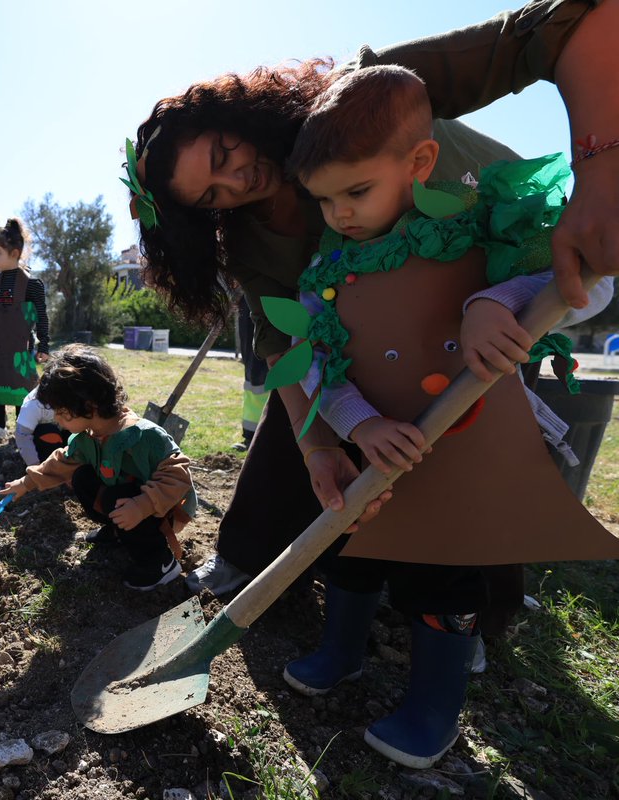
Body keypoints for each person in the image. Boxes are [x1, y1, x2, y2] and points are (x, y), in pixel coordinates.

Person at [125, 1, 619, 607]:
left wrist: (601, 174)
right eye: (210, 197)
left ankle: (471, 606)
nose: (237, 184)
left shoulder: (362, 94)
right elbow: (286, 341)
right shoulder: (248, 235)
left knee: (469, 443)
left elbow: (554, 27)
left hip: (510, 281)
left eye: (224, 157)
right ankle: (261, 566)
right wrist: (319, 449)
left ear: (235, 112)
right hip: (370, 339)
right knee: (319, 412)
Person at [271, 64, 616, 770]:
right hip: (378, 448)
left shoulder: (471, 239)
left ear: (420, 162)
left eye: (356, 191)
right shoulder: (326, 276)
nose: (340, 213)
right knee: (351, 548)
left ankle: (433, 707)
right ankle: (342, 650)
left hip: (461, 455)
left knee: (441, 577)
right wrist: (358, 424)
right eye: (324, 200)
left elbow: (580, 287)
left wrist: (496, 300)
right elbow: (314, 365)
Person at [0, 345, 197, 591]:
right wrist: (26, 482)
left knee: (117, 497)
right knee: (82, 477)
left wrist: (143, 505)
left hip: (164, 508)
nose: (57, 420)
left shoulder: (142, 435)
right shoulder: (89, 436)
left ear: (88, 406)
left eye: (60, 412)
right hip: (130, 500)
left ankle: (159, 562)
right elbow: (62, 461)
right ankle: (118, 531)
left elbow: (179, 476)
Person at [0, 219, 51, 441]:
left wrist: (44, 345)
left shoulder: (32, 285)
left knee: (21, 388)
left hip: (19, 348)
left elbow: (41, 316)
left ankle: (24, 428)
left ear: (14, 253)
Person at [234, 295, 268, 450]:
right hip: (248, 299)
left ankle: (264, 434)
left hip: (271, 297)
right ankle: (251, 435)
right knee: (254, 374)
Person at [13, 386, 68, 466]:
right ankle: (48, 467)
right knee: (50, 432)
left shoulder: (72, 395)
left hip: (63, 430)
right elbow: (23, 436)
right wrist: (34, 465)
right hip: (41, 437)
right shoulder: (34, 404)